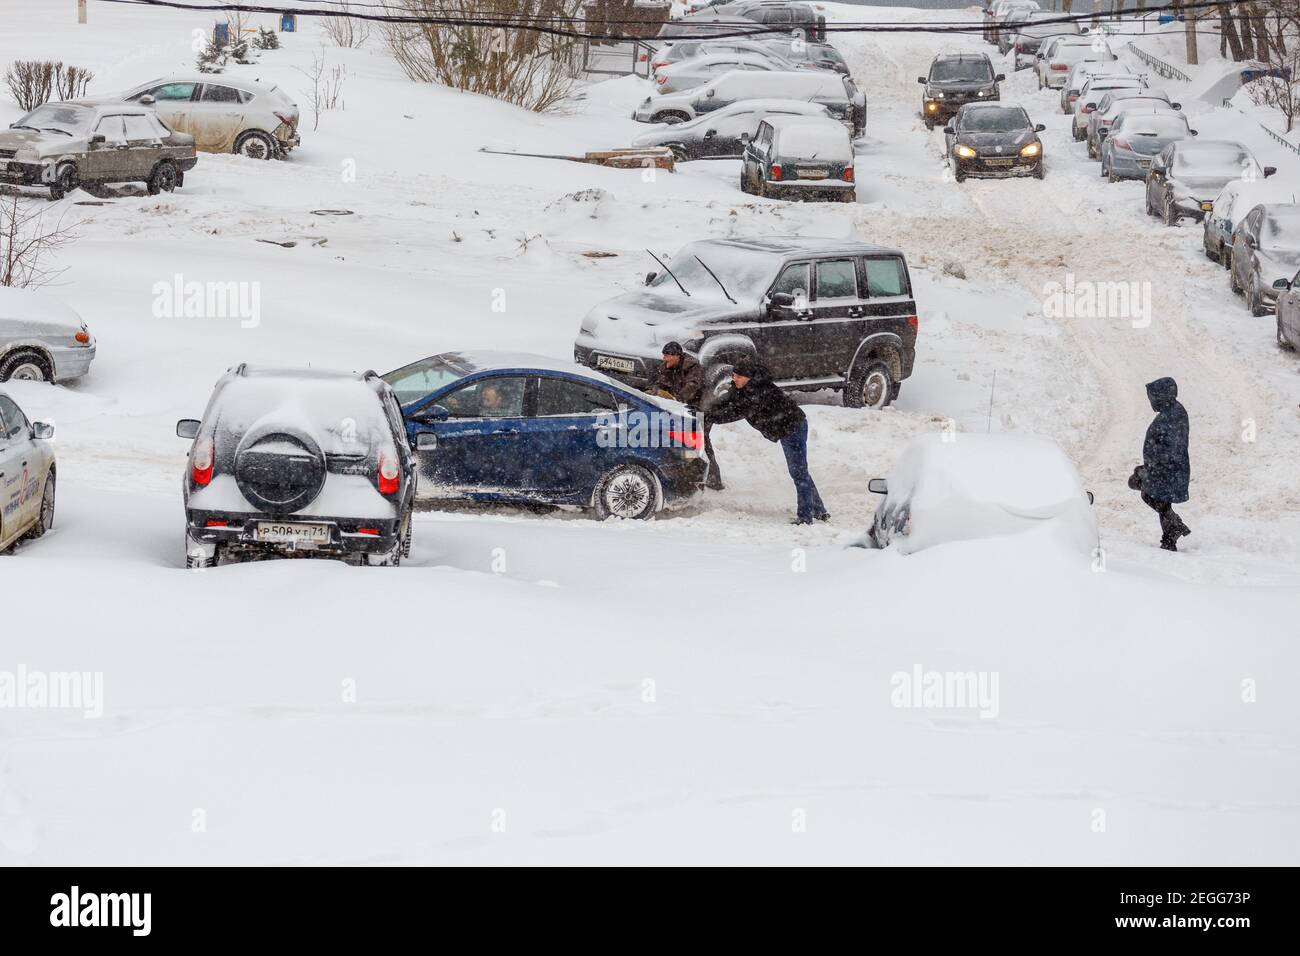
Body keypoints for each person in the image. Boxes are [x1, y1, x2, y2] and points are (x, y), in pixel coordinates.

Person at [714, 356, 829, 524]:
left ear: (749, 377)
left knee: (798, 472)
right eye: (733, 375)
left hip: (793, 428)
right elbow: (727, 402)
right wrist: (704, 409)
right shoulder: (744, 389)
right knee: (800, 472)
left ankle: (805, 517)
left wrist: (709, 417)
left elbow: (734, 411)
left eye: (738, 376)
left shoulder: (760, 393)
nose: (734, 379)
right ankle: (819, 510)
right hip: (786, 428)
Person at [647, 342, 724, 490]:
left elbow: (692, 387)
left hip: (702, 409)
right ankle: (691, 475)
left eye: (668, 356)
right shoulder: (666, 367)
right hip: (684, 409)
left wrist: (675, 398)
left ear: (677, 356)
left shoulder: (693, 367)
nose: (665, 358)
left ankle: (714, 479)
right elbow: (658, 385)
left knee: (702, 442)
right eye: (664, 355)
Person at [1133, 376, 1191, 551]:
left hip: (1168, 469)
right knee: (1159, 500)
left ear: (1162, 396)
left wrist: (1154, 465)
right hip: (1164, 468)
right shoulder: (1171, 413)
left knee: (1153, 497)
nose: (1151, 401)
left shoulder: (1173, 415)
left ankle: (1172, 532)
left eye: (1153, 397)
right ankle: (1170, 535)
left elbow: (1173, 446)